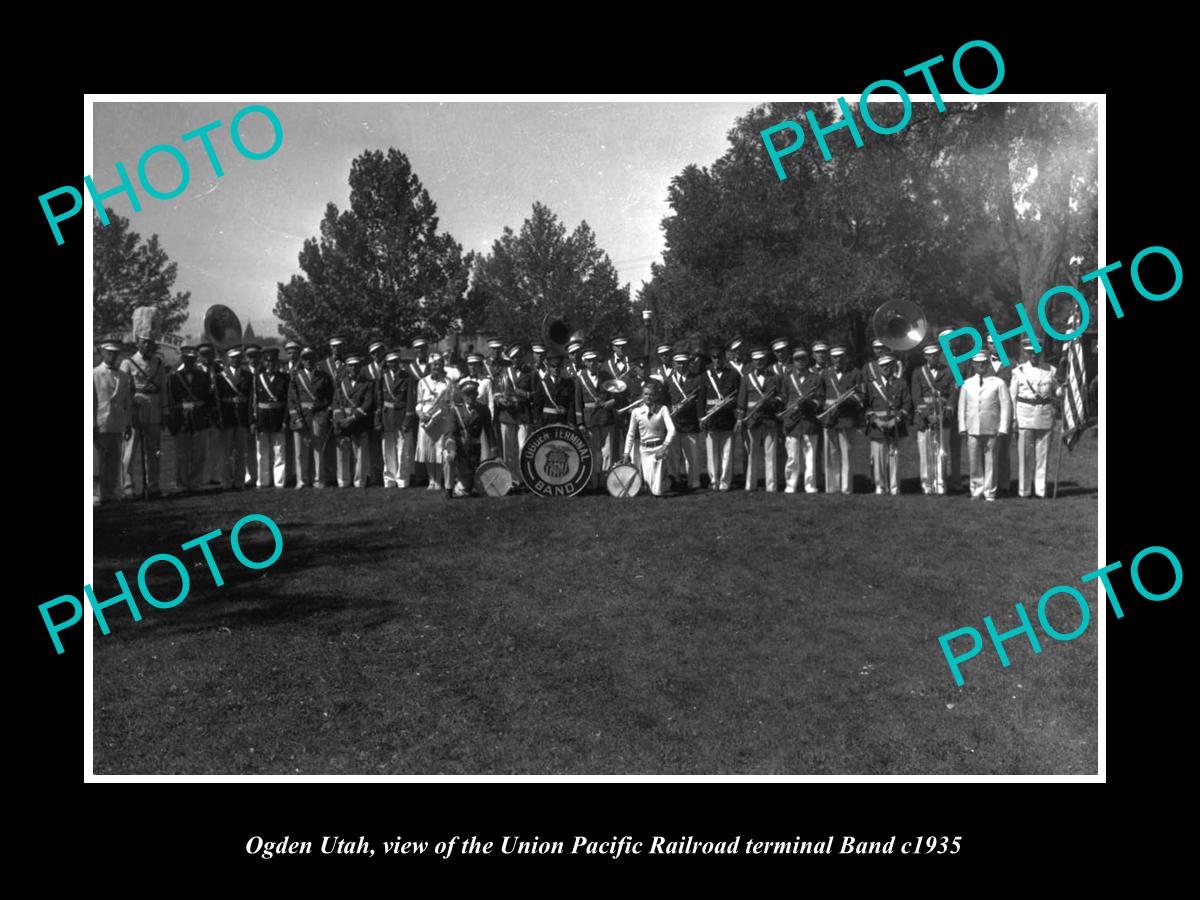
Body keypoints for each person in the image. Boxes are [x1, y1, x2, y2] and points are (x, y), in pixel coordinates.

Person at [958, 351, 1013, 501]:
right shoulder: (967, 384)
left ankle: (990, 491)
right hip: (972, 427)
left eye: (984, 363)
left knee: (991, 460)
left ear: (988, 364)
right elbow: (962, 406)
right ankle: (976, 489)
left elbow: (1006, 405)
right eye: (978, 363)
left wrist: (1003, 427)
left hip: (992, 427)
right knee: (974, 460)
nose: (981, 365)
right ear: (974, 365)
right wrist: (962, 426)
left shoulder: (998, 382)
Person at [120, 332, 167, 498]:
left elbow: (163, 390)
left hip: (154, 409)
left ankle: (153, 486)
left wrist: (164, 411)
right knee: (129, 452)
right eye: (144, 342)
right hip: (136, 409)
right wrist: (128, 412)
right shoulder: (128, 363)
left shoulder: (159, 362)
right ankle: (128, 487)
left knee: (154, 452)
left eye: (150, 343)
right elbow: (124, 391)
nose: (147, 345)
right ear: (137, 344)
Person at [1010, 341, 1057, 498]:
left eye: (1037, 352)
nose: (1034, 355)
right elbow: (1012, 397)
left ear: (1041, 352)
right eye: (1031, 353)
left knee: (1042, 455)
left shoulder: (1051, 370)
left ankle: (1040, 489)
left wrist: (1064, 390)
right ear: (1026, 354)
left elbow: (1057, 391)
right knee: (1025, 455)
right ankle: (1024, 490)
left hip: (1044, 415)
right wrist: (1014, 418)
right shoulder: (1018, 372)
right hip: (1025, 415)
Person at [863, 353, 912, 496]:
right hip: (877, 427)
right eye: (883, 366)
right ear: (878, 368)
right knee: (878, 459)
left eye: (888, 366)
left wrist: (895, 420)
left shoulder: (901, 383)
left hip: (894, 426)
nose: (886, 368)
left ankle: (895, 487)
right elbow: (866, 407)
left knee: (894, 458)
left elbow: (907, 404)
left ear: (893, 367)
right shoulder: (871, 385)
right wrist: (875, 420)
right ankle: (880, 487)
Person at [167, 346, 212, 494]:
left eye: (192, 359)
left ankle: (195, 482)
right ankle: (182, 483)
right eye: (187, 359)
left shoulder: (204, 376)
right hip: (181, 417)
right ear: (182, 359)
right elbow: (171, 400)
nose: (189, 362)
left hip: (199, 416)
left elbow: (208, 398)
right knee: (181, 453)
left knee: (199, 452)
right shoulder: (173, 377)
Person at [911, 343, 956, 495]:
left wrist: (944, 413)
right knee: (925, 453)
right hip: (924, 419)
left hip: (943, 417)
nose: (933, 357)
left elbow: (952, 396)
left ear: (939, 355)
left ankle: (940, 483)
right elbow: (916, 397)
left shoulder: (948, 372)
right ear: (925, 356)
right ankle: (927, 484)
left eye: (935, 354)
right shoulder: (918, 373)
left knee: (942, 452)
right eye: (930, 355)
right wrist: (927, 416)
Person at [780, 348, 825, 493]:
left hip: (808, 420)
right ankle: (791, 484)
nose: (800, 362)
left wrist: (808, 404)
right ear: (793, 362)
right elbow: (783, 398)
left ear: (808, 360)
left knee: (810, 456)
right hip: (792, 421)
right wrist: (789, 407)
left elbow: (820, 400)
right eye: (797, 360)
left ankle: (810, 485)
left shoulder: (816, 378)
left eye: (803, 359)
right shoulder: (787, 378)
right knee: (792, 456)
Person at [736, 347, 781, 492]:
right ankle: (750, 484)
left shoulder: (774, 377)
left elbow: (781, 398)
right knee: (751, 453)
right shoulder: (746, 378)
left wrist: (771, 402)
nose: (759, 362)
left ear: (766, 360)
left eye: (761, 360)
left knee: (771, 453)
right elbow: (741, 402)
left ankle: (771, 485)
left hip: (769, 419)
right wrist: (739, 419)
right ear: (753, 361)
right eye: (756, 360)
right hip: (752, 420)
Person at [289, 347, 334, 489]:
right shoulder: (296, 376)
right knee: (300, 451)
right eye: (305, 358)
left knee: (318, 449)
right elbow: (291, 399)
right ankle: (302, 480)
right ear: (301, 360)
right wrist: (297, 418)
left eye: (311, 358)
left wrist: (323, 411)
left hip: (318, 414)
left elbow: (329, 398)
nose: (309, 361)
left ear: (316, 360)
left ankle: (318, 479)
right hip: (301, 415)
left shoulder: (324, 376)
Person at [94, 340, 132, 505]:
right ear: (102, 352)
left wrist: (128, 423)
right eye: (109, 352)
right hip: (99, 422)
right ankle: (95, 494)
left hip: (116, 423)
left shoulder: (123, 376)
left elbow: (127, 402)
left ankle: (110, 492)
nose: (112, 355)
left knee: (114, 460)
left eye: (115, 353)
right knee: (96, 460)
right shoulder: (93, 373)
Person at [622, 381, 677, 497]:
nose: (648, 397)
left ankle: (661, 484)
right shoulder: (636, 412)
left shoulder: (663, 409)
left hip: (660, 449)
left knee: (656, 491)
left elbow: (672, 430)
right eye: (646, 394)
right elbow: (630, 434)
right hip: (645, 451)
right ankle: (666, 481)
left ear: (655, 396)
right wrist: (626, 453)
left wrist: (664, 447)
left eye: (651, 394)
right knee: (649, 487)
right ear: (642, 396)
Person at [821, 344, 862, 495]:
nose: (838, 360)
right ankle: (832, 486)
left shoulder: (855, 373)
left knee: (847, 453)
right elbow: (821, 395)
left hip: (847, 417)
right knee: (831, 453)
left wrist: (848, 400)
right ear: (830, 358)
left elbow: (861, 396)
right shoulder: (825, 373)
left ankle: (846, 487)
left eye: (841, 357)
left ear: (846, 357)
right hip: (830, 418)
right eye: (834, 357)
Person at [575, 348, 618, 490]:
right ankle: (593, 481)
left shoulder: (606, 375)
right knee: (594, 451)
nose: (592, 363)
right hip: (590, 418)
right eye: (589, 361)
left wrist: (612, 402)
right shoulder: (580, 378)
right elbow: (578, 402)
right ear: (584, 363)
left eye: (594, 360)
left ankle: (605, 481)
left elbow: (615, 395)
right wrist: (580, 422)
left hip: (606, 417)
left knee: (607, 451)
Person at [448, 379, 498, 497]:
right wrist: (452, 449)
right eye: (467, 394)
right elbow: (451, 432)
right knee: (463, 489)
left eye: (473, 394)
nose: (470, 397)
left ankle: (467, 482)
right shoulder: (456, 410)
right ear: (463, 396)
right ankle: (453, 485)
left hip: (475, 449)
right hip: (460, 450)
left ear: (476, 394)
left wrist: (495, 453)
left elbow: (489, 430)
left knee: (470, 485)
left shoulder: (483, 409)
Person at [213, 346, 253, 490]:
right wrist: (219, 419)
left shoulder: (248, 376)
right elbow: (217, 399)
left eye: (238, 358)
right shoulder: (219, 377)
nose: (235, 360)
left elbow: (250, 399)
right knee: (226, 452)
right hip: (227, 416)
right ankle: (226, 481)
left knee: (241, 452)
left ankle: (239, 481)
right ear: (228, 359)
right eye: (232, 358)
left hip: (242, 418)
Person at [376, 349, 417, 488]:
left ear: (399, 362)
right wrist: (379, 420)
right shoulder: (383, 378)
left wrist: (407, 421)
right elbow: (379, 400)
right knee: (387, 452)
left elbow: (411, 401)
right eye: (390, 362)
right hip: (387, 418)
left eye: (395, 361)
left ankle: (402, 479)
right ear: (386, 363)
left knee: (403, 452)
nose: (392, 364)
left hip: (402, 417)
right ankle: (389, 479)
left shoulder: (408, 378)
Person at [701, 343, 739, 491]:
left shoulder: (733, 375)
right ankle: (713, 480)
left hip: (727, 419)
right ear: (711, 359)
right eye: (714, 357)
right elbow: (702, 399)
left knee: (727, 454)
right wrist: (701, 417)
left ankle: (725, 481)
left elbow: (736, 397)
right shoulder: (705, 376)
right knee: (712, 454)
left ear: (724, 358)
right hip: (711, 421)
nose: (717, 360)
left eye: (719, 357)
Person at [415, 354, 455, 491]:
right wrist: (420, 413)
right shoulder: (422, 382)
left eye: (438, 364)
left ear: (442, 365)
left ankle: (439, 480)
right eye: (433, 364)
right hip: (425, 420)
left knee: (439, 450)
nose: (436, 367)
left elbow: (451, 403)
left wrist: (443, 411)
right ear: (429, 366)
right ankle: (431, 480)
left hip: (441, 419)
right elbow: (419, 402)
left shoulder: (448, 382)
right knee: (427, 451)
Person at [494, 343, 533, 485]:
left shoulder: (530, 372)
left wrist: (525, 394)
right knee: (508, 450)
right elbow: (496, 392)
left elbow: (535, 394)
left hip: (523, 414)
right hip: (507, 414)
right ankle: (513, 480)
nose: (516, 360)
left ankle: (525, 478)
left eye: (518, 357)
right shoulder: (503, 372)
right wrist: (500, 400)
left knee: (523, 447)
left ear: (522, 357)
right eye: (514, 358)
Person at [252, 347, 290, 488]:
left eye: (273, 362)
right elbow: (253, 400)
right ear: (264, 363)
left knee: (279, 451)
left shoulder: (284, 378)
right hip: (262, 418)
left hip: (278, 418)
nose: (271, 364)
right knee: (262, 452)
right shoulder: (257, 378)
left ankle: (279, 482)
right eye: (268, 362)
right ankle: (263, 481)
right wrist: (253, 420)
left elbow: (287, 401)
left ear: (277, 362)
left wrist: (286, 420)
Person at [666, 351, 703, 490]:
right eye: (678, 363)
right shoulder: (669, 381)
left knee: (692, 456)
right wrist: (672, 407)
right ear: (674, 364)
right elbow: (665, 401)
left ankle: (694, 482)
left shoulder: (697, 379)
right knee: (674, 456)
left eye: (684, 363)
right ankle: (675, 480)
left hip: (690, 422)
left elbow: (700, 401)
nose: (681, 366)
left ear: (689, 363)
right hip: (674, 423)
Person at [533, 353, 575, 427]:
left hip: (563, 422)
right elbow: (537, 406)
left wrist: (570, 422)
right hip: (546, 422)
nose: (555, 369)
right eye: (553, 366)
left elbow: (571, 405)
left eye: (558, 366)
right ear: (549, 368)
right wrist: (539, 423)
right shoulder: (542, 384)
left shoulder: (568, 384)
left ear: (561, 367)